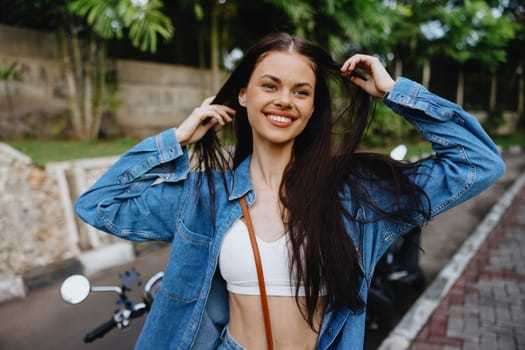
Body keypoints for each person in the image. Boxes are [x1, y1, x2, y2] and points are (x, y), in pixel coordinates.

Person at [74, 32, 505, 350]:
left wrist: (394, 92)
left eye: (302, 92)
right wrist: (177, 139)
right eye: (270, 85)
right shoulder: (202, 197)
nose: (285, 100)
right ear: (242, 95)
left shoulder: (355, 194)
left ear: (312, 108)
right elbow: (98, 204)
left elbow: (478, 163)